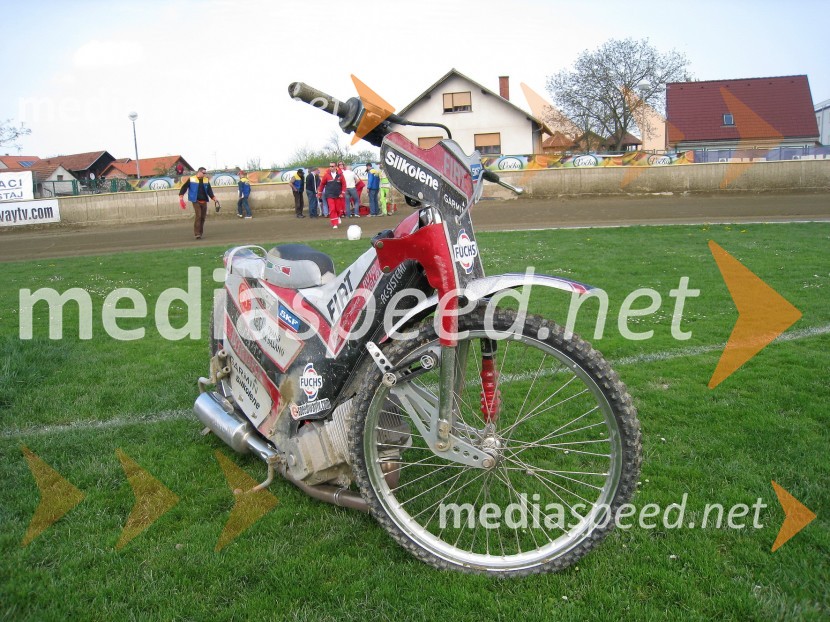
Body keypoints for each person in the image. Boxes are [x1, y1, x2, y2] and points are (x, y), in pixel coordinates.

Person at [178, 167, 219, 239]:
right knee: (198, 215)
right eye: (203, 173)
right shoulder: (191, 179)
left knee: (203, 217)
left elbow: (209, 190)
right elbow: (184, 188)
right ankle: (197, 234)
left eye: (205, 173)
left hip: (204, 201)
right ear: (199, 172)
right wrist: (181, 197)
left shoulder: (206, 180)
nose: (205, 174)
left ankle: (200, 233)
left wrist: (214, 198)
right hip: (195, 200)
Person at [317, 161, 345, 228]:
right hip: (329, 195)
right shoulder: (326, 175)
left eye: (332, 166)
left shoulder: (340, 175)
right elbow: (322, 184)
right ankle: (334, 223)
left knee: (338, 209)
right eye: (330, 166)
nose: (331, 168)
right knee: (332, 209)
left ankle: (338, 217)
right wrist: (319, 193)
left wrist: (342, 193)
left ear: (335, 167)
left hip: (338, 195)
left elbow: (344, 184)